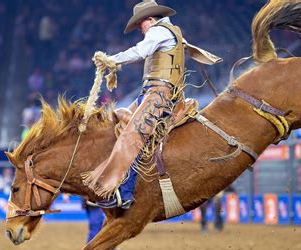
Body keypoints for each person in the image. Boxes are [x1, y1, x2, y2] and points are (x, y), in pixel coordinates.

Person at [87, 0, 221, 208]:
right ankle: (119, 188)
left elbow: (140, 51)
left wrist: (111, 60)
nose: (140, 29)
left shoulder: (158, 32)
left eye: (140, 24)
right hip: (153, 94)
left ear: (149, 19)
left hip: (159, 94)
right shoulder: (171, 32)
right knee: (120, 124)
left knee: (132, 135)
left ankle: (121, 193)